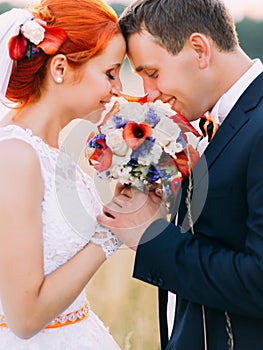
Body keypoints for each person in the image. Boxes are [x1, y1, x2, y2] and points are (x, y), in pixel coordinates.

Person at [97, 0, 263, 349]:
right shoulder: (211, 120)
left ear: (199, 50)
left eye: (152, 73)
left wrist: (152, 236)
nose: (148, 94)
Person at [0, 0, 126, 348]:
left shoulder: (53, 150)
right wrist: (112, 234)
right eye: (110, 73)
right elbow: (25, 318)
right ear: (59, 68)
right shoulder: (15, 157)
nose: (118, 89)